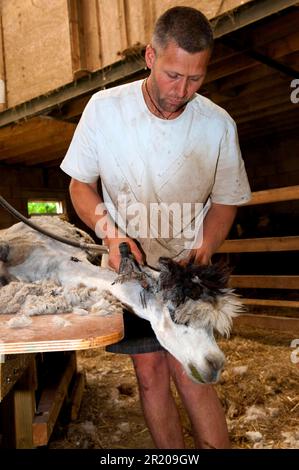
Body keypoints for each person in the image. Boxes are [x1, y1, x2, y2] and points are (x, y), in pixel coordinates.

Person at [60, 6, 251, 449]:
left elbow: (226, 202)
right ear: (150, 56)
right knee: (150, 374)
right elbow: (79, 187)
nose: (181, 91)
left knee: (195, 376)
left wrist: (202, 251)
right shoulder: (104, 111)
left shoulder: (217, 125)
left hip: (185, 268)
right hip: (131, 269)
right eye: (172, 75)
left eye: (195, 79)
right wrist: (111, 232)